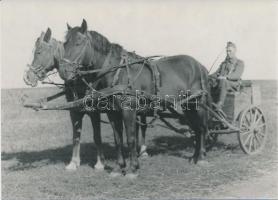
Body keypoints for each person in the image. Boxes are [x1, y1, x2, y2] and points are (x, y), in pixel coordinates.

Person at [210, 42, 244, 108]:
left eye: (230, 51)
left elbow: (237, 75)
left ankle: (220, 104)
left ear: (235, 51)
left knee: (224, 82)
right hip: (222, 83)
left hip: (233, 84)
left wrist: (225, 77)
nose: (228, 53)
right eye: (227, 51)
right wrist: (208, 76)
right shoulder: (224, 63)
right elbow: (216, 73)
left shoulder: (239, 63)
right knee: (210, 81)